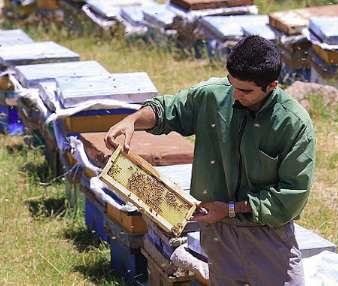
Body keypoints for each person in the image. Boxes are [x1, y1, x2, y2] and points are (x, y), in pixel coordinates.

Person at [104, 35, 315, 286]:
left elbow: (291, 196)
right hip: (218, 234)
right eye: (232, 84)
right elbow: (169, 109)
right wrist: (133, 120)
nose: (236, 95)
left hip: (268, 232)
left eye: (246, 91)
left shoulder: (294, 123)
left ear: (272, 86)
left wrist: (230, 209)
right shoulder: (214, 95)